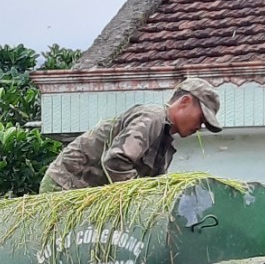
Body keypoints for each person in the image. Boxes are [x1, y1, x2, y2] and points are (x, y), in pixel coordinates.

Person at [40, 77, 224, 191]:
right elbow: (115, 161)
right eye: (201, 118)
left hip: (87, 194)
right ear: (185, 102)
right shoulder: (153, 118)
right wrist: (138, 196)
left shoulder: (165, 144)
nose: (200, 127)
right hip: (65, 186)